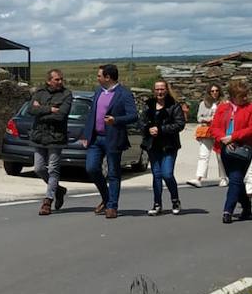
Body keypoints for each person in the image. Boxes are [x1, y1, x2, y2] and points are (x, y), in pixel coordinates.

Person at [78, 64, 139, 220]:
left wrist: (116, 120)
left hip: (113, 138)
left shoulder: (124, 94)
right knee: (91, 168)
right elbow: (92, 114)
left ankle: (112, 206)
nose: (97, 78)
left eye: (99, 76)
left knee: (113, 173)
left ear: (108, 77)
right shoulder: (98, 92)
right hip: (96, 138)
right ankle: (106, 198)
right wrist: (86, 134)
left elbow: (133, 116)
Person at [29, 68, 73, 216]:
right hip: (39, 136)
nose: (60, 82)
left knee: (53, 169)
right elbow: (31, 110)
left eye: (61, 79)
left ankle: (48, 201)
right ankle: (58, 189)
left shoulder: (66, 94)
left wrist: (41, 111)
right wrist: (50, 109)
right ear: (49, 81)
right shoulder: (40, 92)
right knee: (38, 168)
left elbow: (61, 116)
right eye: (57, 79)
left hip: (56, 137)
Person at [209, 76, 252, 224]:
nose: (246, 98)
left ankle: (228, 210)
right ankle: (246, 208)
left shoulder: (250, 108)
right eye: (242, 96)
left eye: (247, 94)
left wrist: (233, 137)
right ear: (234, 96)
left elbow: (251, 129)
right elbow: (214, 127)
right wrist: (223, 138)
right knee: (236, 180)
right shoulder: (223, 108)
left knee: (235, 179)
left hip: (243, 149)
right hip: (224, 149)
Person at [141, 79, 185, 215]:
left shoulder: (174, 106)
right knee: (157, 175)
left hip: (169, 145)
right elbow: (141, 122)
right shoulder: (148, 105)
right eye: (157, 89)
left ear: (166, 90)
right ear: (154, 91)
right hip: (153, 145)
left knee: (167, 173)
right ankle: (157, 204)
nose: (160, 92)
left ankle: (175, 199)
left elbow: (180, 124)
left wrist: (161, 129)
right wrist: (148, 129)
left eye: (162, 89)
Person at [188, 83, 225, 186]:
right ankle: (198, 179)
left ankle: (223, 177)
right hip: (206, 132)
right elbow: (199, 118)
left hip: (219, 132)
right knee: (203, 155)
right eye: (212, 91)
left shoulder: (224, 103)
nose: (214, 93)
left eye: (216, 91)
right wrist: (208, 119)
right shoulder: (203, 103)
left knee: (220, 156)